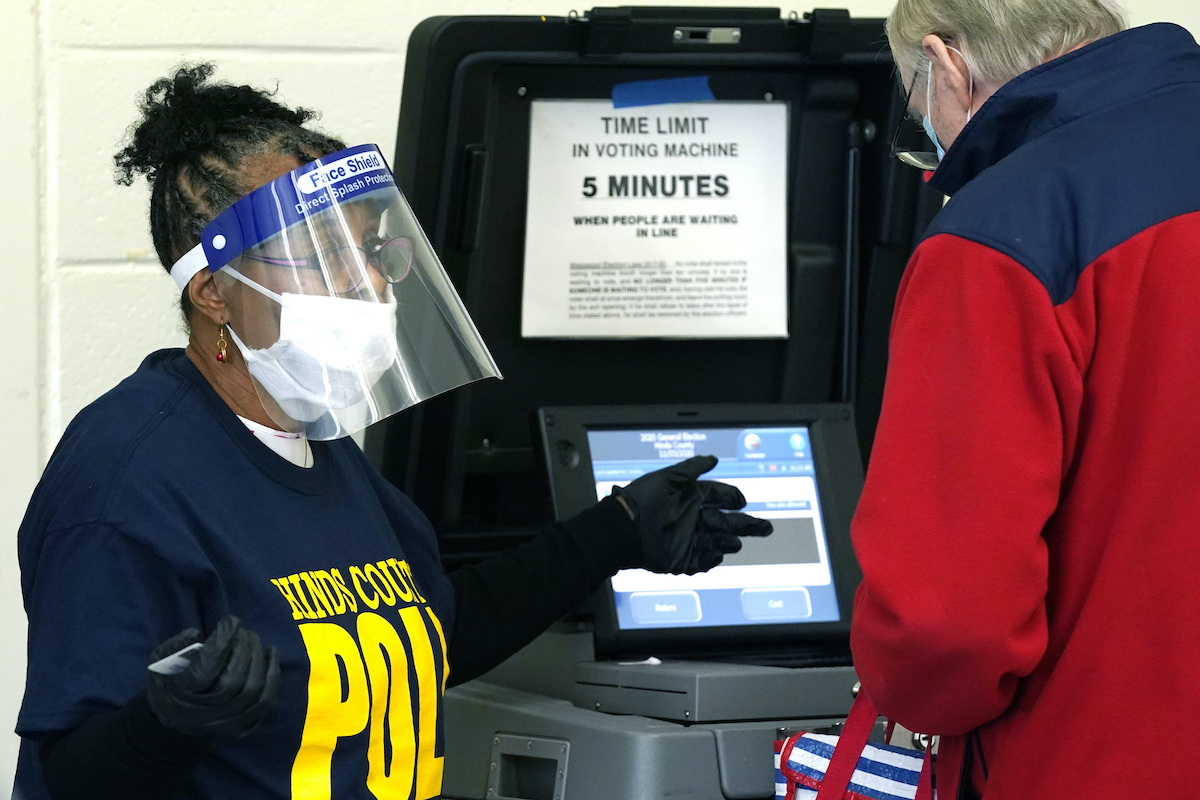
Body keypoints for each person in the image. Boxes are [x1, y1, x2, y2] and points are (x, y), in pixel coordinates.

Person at [13, 64, 772, 800]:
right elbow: (73, 772)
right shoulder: (125, 480)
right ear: (213, 292)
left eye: (372, 251)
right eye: (324, 256)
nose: (370, 283)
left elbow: (433, 632)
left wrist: (617, 531)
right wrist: (166, 725)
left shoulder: (317, 445)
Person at [849, 0, 1200, 797]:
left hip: (1107, 760)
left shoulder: (1008, 224)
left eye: (919, 113)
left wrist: (911, 691)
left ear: (945, 63)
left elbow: (945, 620)